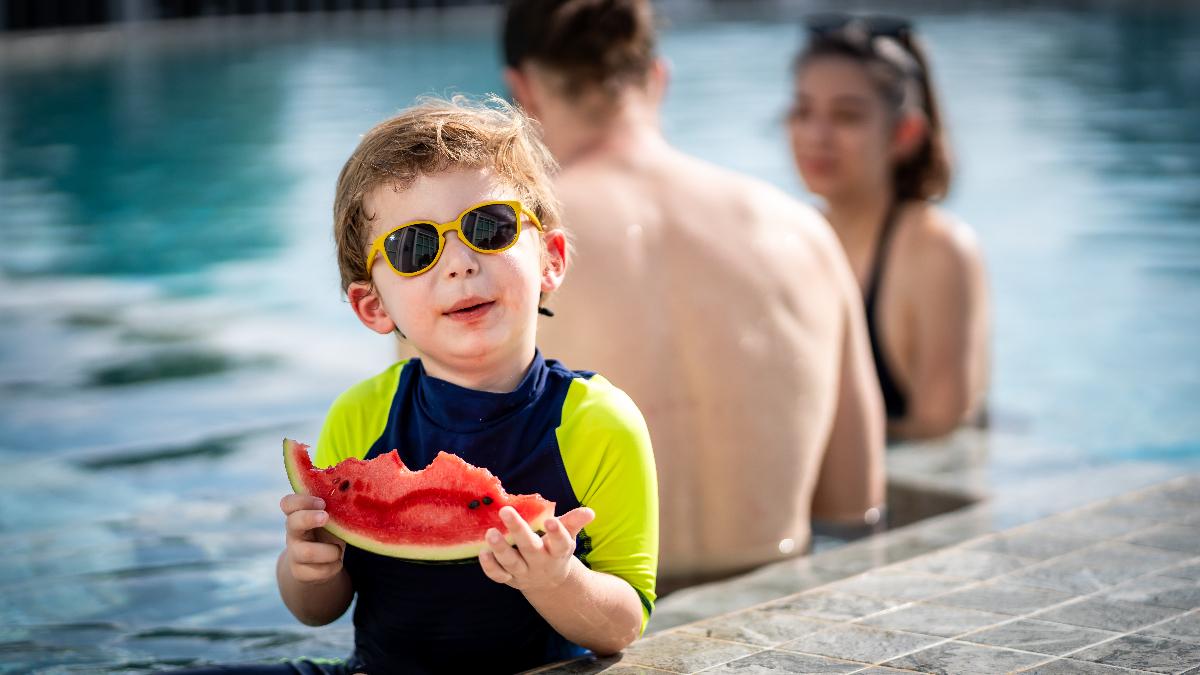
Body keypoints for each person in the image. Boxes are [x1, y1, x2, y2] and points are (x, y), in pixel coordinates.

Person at [176, 98, 658, 675]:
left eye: (490, 227)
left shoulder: (599, 421)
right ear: (373, 305)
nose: (457, 263)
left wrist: (560, 581)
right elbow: (317, 613)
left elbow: (622, 628)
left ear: (550, 259)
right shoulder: (362, 414)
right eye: (414, 249)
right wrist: (308, 569)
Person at [502, 0, 885, 594]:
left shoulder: (496, 249)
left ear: (521, 91)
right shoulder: (803, 232)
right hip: (781, 608)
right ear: (658, 78)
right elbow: (854, 502)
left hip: (590, 622)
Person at [787, 15, 989, 440]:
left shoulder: (938, 249)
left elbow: (941, 432)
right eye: (802, 111)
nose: (816, 135)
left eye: (846, 116)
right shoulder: (790, 237)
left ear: (904, 132)